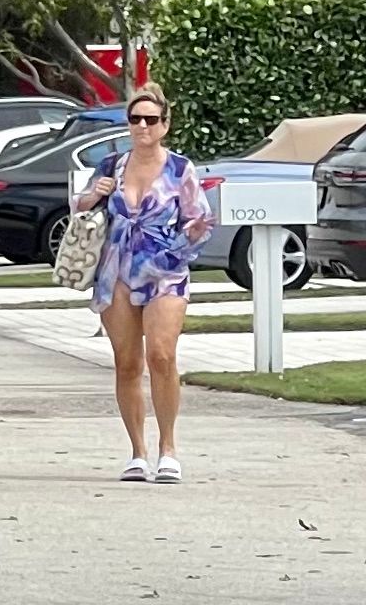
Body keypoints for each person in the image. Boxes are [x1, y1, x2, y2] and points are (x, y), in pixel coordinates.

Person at [73, 82, 214, 485]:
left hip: (164, 270)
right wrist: (90, 197)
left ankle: (168, 448)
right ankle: (138, 452)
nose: (142, 126)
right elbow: (81, 208)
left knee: (162, 356)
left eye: (151, 120)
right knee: (127, 362)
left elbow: (199, 221)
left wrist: (179, 249)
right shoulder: (111, 166)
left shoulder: (179, 168)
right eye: (135, 119)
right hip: (116, 268)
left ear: (165, 125)